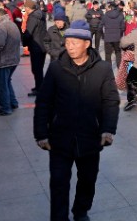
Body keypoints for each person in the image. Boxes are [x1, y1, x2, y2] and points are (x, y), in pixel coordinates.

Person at [34, 20, 120, 221]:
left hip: (90, 137)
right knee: (58, 183)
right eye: (67, 42)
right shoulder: (56, 68)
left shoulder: (103, 69)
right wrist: (41, 133)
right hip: (60, 137)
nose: (70, 46)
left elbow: (110, 100)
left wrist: (108, 129)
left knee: (87, 181)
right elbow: (44, 101)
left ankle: (81, 212)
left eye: (74, 42)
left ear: (87, 43)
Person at [0, 9, 21, 116]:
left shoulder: (2, 26)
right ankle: (13, 103)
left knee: (2, 85)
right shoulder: (12, 24)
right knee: (7, 82)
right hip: (13, 59)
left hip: (3, 60)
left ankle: (6, 108)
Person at [22, 0, 49, 97]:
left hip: (36, 45)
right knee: (39, 68)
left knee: (36, 69)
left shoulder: (33, 17)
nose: (24, 9)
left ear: (28, 8)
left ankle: (39, 89)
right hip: (42, 45)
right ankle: (39, 86)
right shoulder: (40, 15)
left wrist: (23, 39)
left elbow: (29, 32)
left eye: (25, 8)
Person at [102, 1, 126, 68]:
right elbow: (123, 27)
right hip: (117, 37)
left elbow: (100, 26)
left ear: (110, 7)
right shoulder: (120, 15)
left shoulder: (105, 15)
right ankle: (119, 68)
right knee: (118, 53)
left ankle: (108, 68)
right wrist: (120, 34)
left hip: (108, 37)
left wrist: (103, 35)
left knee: (108, 54)